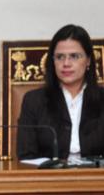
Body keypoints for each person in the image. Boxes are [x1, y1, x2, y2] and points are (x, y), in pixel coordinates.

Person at [17, 24, 104, 160]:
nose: (66, 63)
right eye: (60, 57)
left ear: (88, 60)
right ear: (53, 61)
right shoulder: (34, 101)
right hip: (48, 173)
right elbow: (26, 155)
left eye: (74, 56)